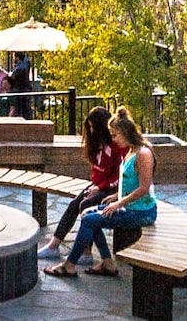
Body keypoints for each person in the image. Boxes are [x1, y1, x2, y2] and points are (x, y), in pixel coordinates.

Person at [47, 110, 157, 277]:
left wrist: (118, 203)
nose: (113, 139)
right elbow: (128, 183)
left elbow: (144, 188)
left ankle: (69, 265)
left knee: (90, 220)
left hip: (142, 212)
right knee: (87, 213)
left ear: (125, 132)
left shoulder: (143, 154)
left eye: (115, 135)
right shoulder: (130, 151)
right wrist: (116, 196)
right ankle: (107, 263)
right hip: (128, 207)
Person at [39, 106, 120, 262]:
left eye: (93, 127)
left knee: (86, 205)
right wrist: (94, 186)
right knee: (74, 204)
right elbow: (97, 172)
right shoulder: (97, 144)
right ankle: (53, 245)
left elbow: (118, 175)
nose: (91, 131)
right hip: (98, 186)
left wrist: (99, 187)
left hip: (114, 189)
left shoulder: (115, 146)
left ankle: (86, 252)